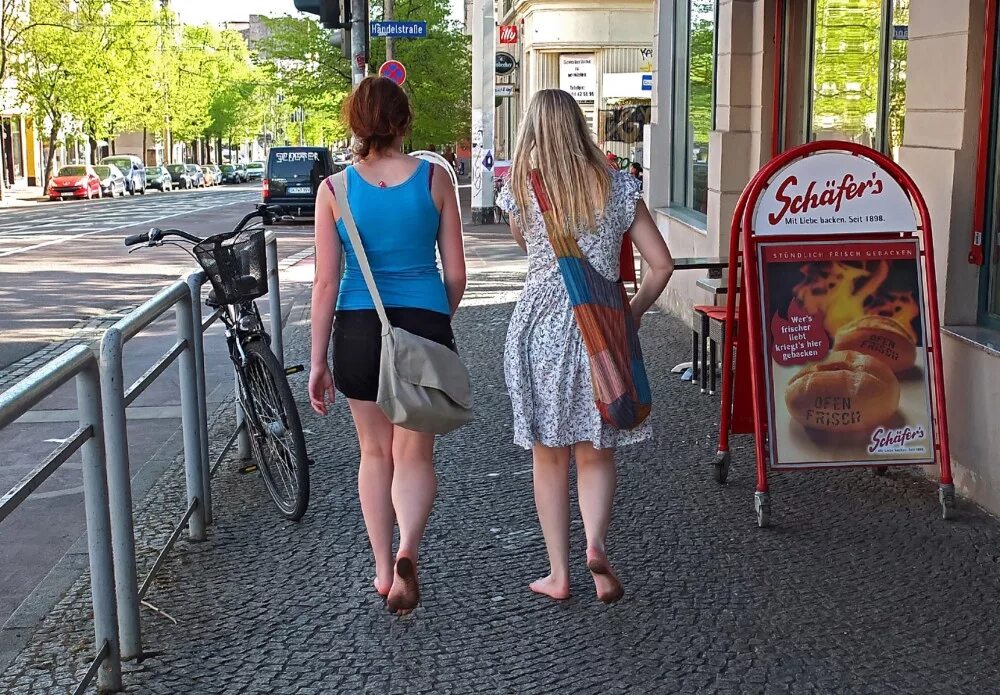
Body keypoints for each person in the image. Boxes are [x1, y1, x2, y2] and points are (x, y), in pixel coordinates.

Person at [496, 89, 674, 604]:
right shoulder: (619, 187)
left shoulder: (520, 191)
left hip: (537, 332)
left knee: (548, 457)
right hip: (599, 332)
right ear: (580, 126)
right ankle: (595, 545)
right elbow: (661, 266)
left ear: (532, 130)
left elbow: (524, 245)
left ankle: (558, 573)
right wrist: (630, 316)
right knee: (596, 452)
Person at [308, 77, 467, 615]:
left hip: (356, 327)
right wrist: (433, 326)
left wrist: (316, 361)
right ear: (405, 122)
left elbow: (326, 284)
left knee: (373, 454)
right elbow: (457, 274)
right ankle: (408, 551)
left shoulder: (334, 191)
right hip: (422, 321)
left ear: (355, 125)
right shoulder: (436, 179)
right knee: (414, 452)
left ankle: (381, 569)